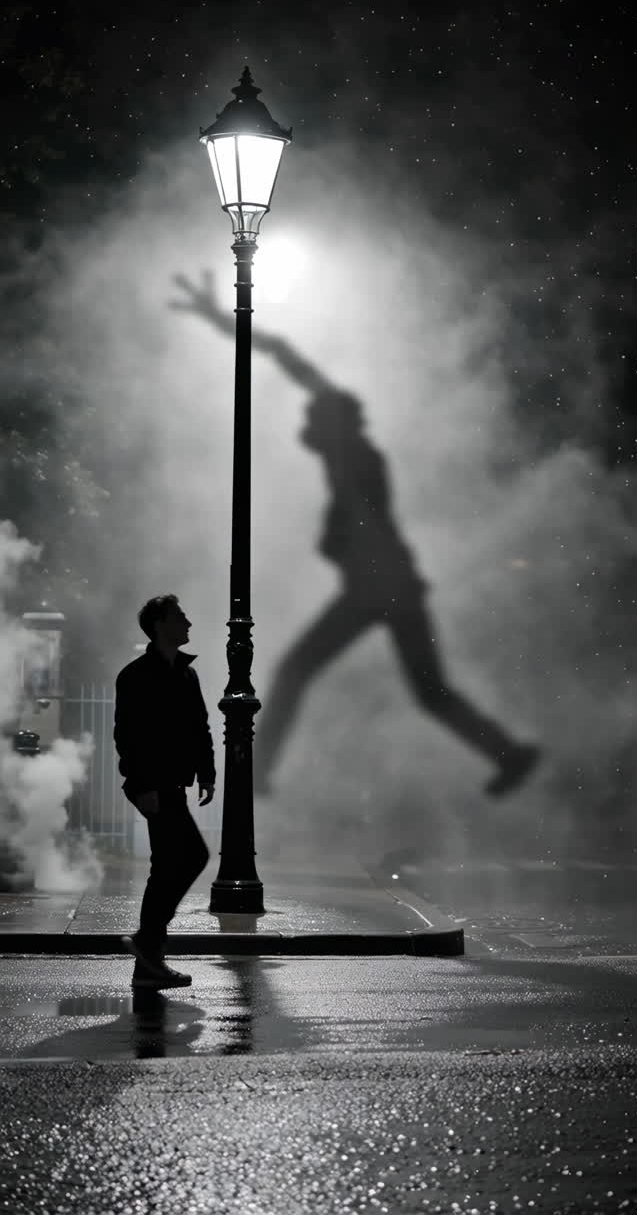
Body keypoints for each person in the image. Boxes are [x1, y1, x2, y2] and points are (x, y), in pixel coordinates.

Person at [170, 271, 540, 799]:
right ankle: (508, 753)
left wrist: (215, 319)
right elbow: (288, 360)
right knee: (430, 692)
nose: (305, 422)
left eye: (311, 416)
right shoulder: (350, 454)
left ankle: (259, 769)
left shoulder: (349, 451)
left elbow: (286, 357)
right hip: (392, 586)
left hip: (378, 587)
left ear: (331, 423)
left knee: (296, 669)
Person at [114, 595, 215, 989]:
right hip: (155, 787)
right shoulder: (136, 675)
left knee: (171, 862)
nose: (188, 622)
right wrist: (143, 787)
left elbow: (200, 728)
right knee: (191, 856)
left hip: (174, 784)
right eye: (180, 617)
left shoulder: (186, 675)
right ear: (160, 625)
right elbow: (129, 737)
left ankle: (147, 963)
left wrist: (206, 773)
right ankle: (148, 940)